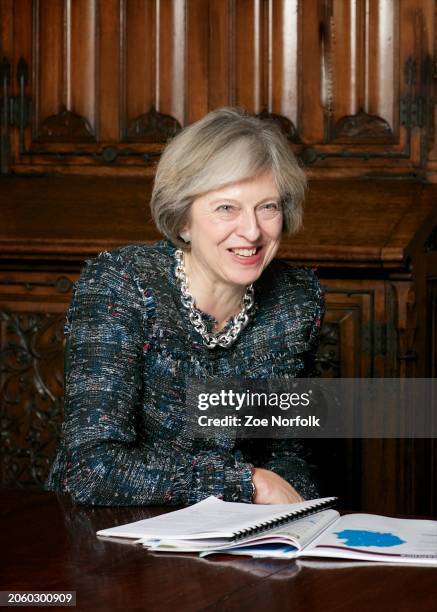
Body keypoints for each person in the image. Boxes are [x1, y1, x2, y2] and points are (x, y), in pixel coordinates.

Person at [46, 108, 324, 506]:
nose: (251, 231)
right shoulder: (123, 284)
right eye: (226, 208)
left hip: (234, 536)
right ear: (183, 221)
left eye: (268, 207)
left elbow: (290, 454)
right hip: (110, 534)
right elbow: (92, 469)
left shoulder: (295, 300)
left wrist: (301, 522)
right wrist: (248, 484)